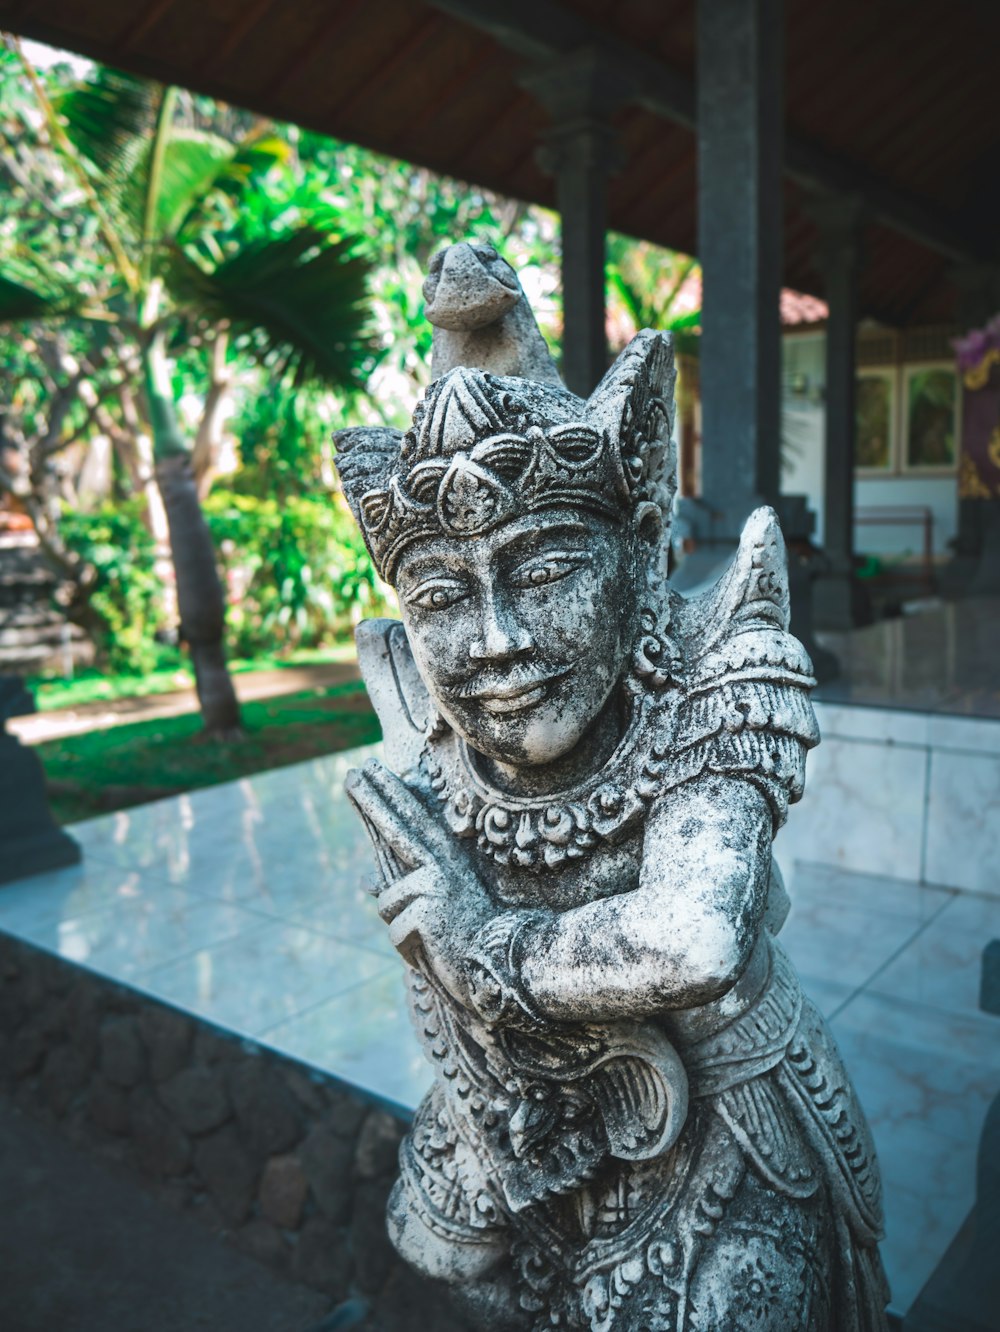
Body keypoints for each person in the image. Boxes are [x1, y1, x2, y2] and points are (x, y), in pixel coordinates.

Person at [336, 329, 889, 1331]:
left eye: (544, 572)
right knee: (426, 1247)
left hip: (720, 1128)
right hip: (518, 1108)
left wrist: (486, 947)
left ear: (638, 547)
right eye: (443, 596)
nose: (496, 641)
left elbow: (694, 935)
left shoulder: (722, 667)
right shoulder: (429, 719)